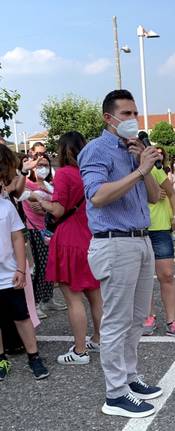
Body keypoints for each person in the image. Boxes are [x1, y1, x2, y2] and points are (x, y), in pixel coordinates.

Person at [79, 89, 164, 417]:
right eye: (126, 114)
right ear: (108, 118)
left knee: (136, 318)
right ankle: (115, 394)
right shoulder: (96, 150)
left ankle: (129, 377)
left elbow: (155, 196)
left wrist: (147, 163)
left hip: (140, 240)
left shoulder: (133, 152)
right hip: (114, 242)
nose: (133, 120)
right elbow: (97, 197)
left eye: (135, 113)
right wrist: (139, 170)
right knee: (115, 321)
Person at [34, 132, 102, 365]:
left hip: (69, 239)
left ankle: (80, 350)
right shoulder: (91, 173)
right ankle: (98, 339)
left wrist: (42, 202)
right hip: (90, 237)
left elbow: (59, 210)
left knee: (73, 300)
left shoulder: (63, 173)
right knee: (95, 296)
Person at [0, 145, 50, 380]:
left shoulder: (6, 206)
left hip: (9, 274)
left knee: (22, 316)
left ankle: (34, 356)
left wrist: (21, 268)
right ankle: (1, 360)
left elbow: (18, 238)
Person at [142, 148, 175, 340]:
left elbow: (171, 193)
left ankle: (172, 321)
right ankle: (148, 317)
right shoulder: (128, 169)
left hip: (160, 228)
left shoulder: (155, 169)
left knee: (167, 275)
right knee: (143, 279)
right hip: (139, 228)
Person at [22, 153, 61, 318]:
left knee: (50, 265)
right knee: (41, 266)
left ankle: (48, 298)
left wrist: (49, 206)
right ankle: (36, 303)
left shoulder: (49, 184)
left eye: (46, 164)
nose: (43, 168)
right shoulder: (27, 184)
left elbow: (56, 206)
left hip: (51, 229)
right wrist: (49, 206)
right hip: (35, 229)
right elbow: (37, 208)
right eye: (39, 165)